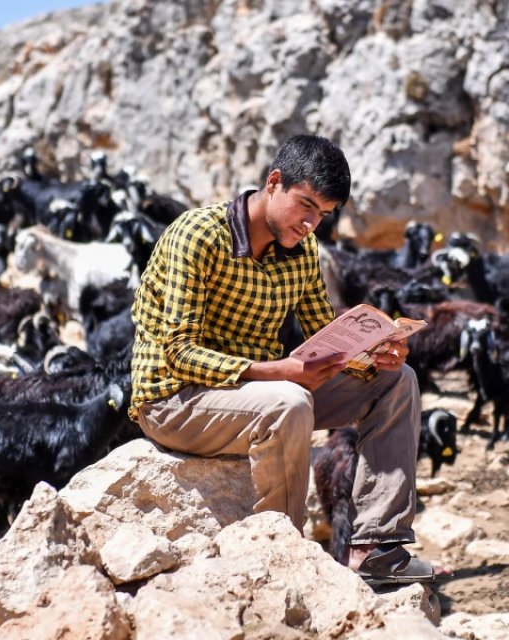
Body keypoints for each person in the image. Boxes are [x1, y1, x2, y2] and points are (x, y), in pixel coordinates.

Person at [129, 134, 449, 585]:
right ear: (274, 182)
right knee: (289, 402)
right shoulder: (196, 235)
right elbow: (178, 354)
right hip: (174, 400)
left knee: (400, 382)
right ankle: (284, 557)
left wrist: (377, 356)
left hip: (258, 395)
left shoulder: (304, 254)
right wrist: (281, 372)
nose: (311, 224)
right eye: (305, 205)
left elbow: (328, 340)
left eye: (323, 215)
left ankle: (377, 548)